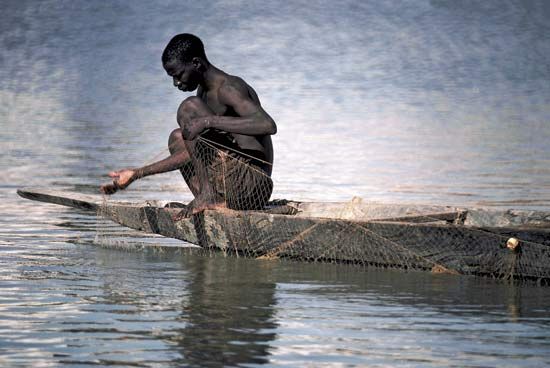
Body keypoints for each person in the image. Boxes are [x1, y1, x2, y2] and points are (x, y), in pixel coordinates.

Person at [100, 34, 276, 218]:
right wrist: (136, 174)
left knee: (188, 108)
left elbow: (267, 124)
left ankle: (208, 196)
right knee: (177, 138)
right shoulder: (203, 92)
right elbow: (190, 154)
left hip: (254, 186)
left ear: (197, 64)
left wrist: (208, 121)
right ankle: (209, 199)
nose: (176, 83)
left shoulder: (229, 87)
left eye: (178, 75)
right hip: (234, 186)